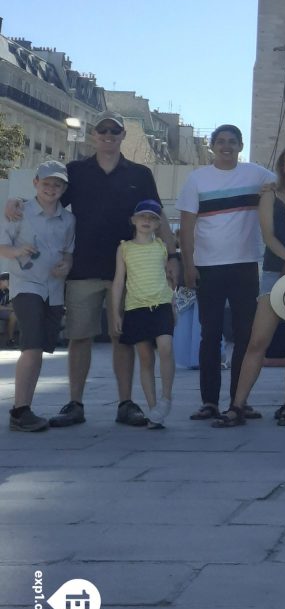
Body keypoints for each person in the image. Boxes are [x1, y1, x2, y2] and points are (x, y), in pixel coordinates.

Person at [4, 111, 179, 429]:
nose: (109, 134)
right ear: (93, 135)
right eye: (103, 129)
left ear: (123, 135)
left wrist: (173, 255)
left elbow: (159, 215)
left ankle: (126, 403)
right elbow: (48, 198)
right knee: (80, 338)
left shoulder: (140, 174)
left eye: (115, 130)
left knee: (122, 338)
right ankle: (75, 403)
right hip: (82, 267)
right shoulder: (76, 171)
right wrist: (16, 201)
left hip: (127, 270)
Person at [211, 145, 285, 427]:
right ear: (282, 167)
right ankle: (237, 405)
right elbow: (268, 235)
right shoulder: (269, 197)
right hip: (275, 271)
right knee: (258, 341)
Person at [178, 124, 276, 420]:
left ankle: (239, 400)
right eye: (220, 141)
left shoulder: (257, 174)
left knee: (245, 336)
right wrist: (188, 265)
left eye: (232, 142)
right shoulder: (197, 179)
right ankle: (209, 401)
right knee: (211, 335)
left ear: (240, 145)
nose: (226, 146)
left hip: (245, 265)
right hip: (208, 267)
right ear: (212, 146)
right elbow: (186, 227)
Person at [0, 161, 75, 432]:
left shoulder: (68, 219)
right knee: (31, 346)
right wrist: (18, 252)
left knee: (40, 348)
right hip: (27, 285)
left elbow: (68, 251)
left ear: (64, 188)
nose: (51, 188)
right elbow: (2, 246)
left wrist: (66, 265)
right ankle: (19, 410)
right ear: (35, 183)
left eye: (57, 184)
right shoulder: (19, 212)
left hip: (54, 290)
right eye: (46, 183)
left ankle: (25, 408)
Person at [109, 200, 175, 428]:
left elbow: (169, 277)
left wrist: (174, 303)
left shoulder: (162, 247)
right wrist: (116, 313)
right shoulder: (124, 248)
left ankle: (166, 397)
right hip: (135, 308)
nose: (147, 221)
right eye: (143, 217)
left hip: (161, 304)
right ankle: (153, 407)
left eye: (152, 218)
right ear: (134, 220)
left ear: (158, 224)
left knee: (166, 347)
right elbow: (119, 281)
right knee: (146, 358)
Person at [0, 272, 16, 348]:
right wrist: (9, 308)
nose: (11, 282)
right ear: (2, 281)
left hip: (2, 311)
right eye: (9, 280)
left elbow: (12, 303)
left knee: (13, 315)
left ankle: (10, 340)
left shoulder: (8, 290)